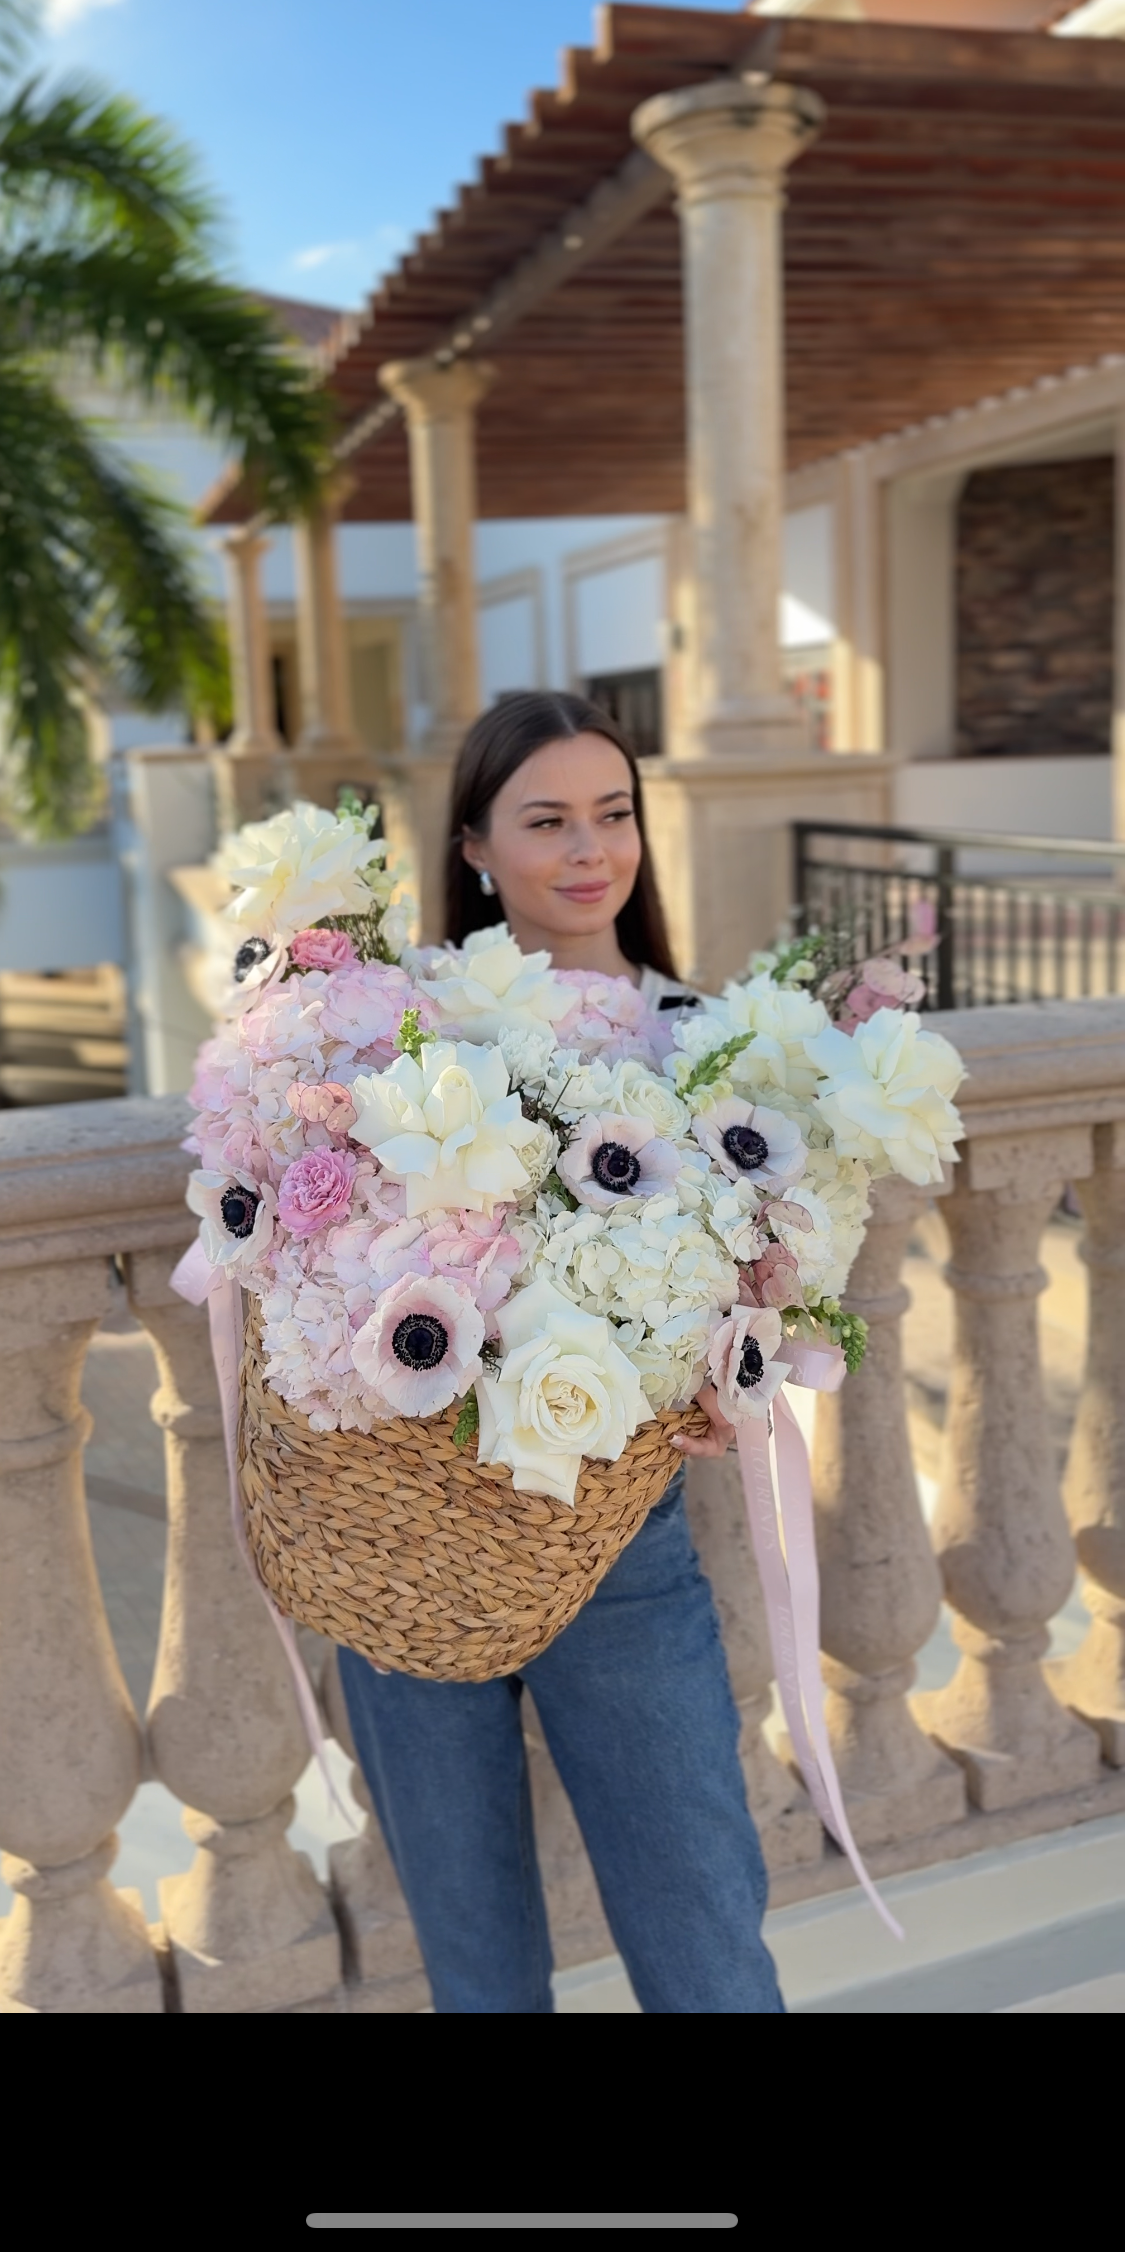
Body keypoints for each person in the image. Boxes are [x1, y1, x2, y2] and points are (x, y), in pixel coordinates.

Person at [338, 690, 784, 2014]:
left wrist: (726, 1375)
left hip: (621, 1541)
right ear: (474, 844)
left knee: (704, 1932)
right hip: (411, 1538)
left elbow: (767, 1281)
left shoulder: (706, 1037)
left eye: (613, 812)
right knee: (477, 1964)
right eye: (546, 821)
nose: (591, 849)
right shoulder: (400, 1036)